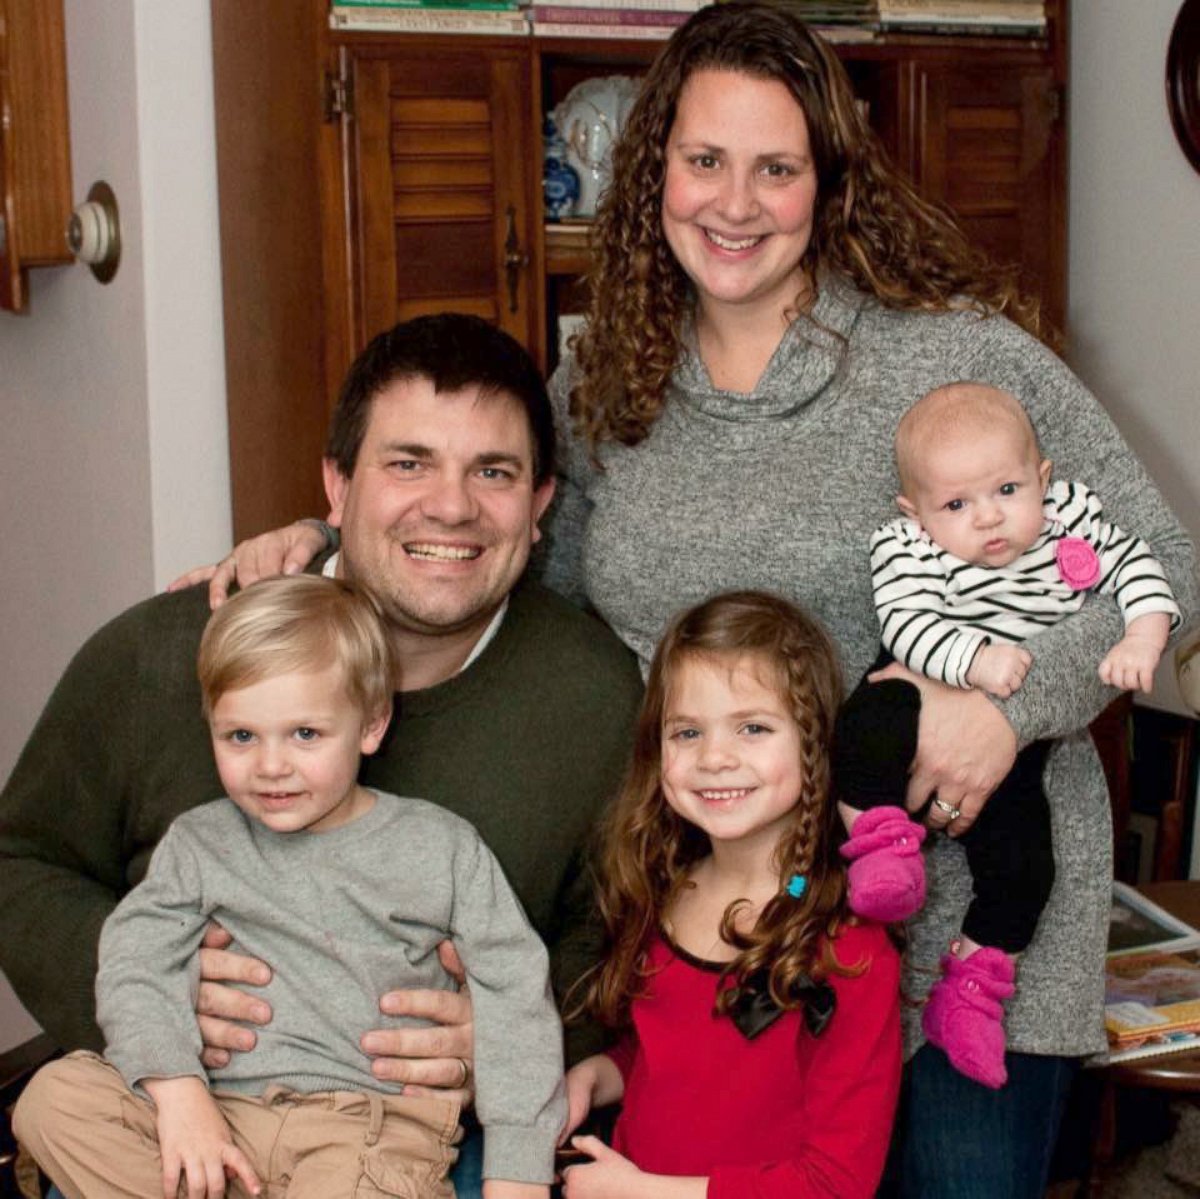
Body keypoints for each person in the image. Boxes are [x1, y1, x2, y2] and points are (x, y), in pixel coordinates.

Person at [190, 5, 1198, 1195]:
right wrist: (324, 541)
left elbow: (1162, 563)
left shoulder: (951, 358)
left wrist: (1009, 715)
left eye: (776, 168)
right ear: (651, 167)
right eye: (704, 160)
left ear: (828, 185)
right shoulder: (610, 373)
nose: (735, 202)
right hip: (720, 927)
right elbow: (486, 532)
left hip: (965, 928)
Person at [0, 314, 643, 1199]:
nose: (451, 506)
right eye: (407, 462)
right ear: (336, 487)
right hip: (178, 1111)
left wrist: (513, 1031)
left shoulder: (597, 696)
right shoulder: (165, 654)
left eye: (492, 472)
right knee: (53, 1103)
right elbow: (22, 857)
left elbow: (618, 932)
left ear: (539, 506)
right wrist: (152, 994)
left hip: (414, 1124)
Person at [15, 574, 564, 1199]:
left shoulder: (442, 848)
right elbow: (134, 962)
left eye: (305, 734)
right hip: (218, 1118)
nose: (271, 766)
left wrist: (517, 1176)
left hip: (364, 1129)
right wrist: (179, 1094)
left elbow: (517, 1000)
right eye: (241, 736)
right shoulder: (199, 844)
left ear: (371, 724)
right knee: (52, 1100)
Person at [832, 381, 1181, 1090]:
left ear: (1043, 480)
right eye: (956, 505)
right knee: (865, 729)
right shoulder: (905, 545)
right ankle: (879, 847)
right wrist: (975, 662)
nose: (988, 517)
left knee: (1027, 865)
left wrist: (1142, 635)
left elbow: (1145, 563)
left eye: (1008, 489)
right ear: (916, 511)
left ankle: (972, 990)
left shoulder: (1070, 519)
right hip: (919, 679)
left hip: (1014, 742)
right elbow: (906, 626)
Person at [559, 591, 900, 1198]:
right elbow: (676, 1057)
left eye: (753, 727)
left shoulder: (848, 945)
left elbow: (836, 1183)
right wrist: (603, 1074)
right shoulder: (664, 888)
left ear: (814, 743)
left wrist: (645, 1193)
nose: (715, 757)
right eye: (687, 731)